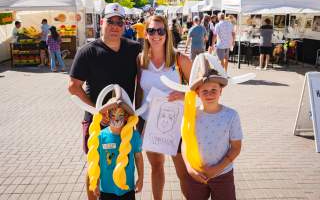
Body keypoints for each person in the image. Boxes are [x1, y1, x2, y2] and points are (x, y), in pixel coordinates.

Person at [68, 2, 141, 200]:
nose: (115, 26)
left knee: (123, 161)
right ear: (102, 22)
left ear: (125, 25)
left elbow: (154, 69)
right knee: (95, 166)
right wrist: (98, 112)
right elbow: (73, 87)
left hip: (124, 120)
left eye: (120, 22)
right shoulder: (87, 51)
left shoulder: (134, 49)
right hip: (95, 121)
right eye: (111, 21)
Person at [139, 15, 192, 200]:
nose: (156, 35)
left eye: (160, 31)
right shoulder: (140, 61)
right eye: (151, 31)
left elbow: (202, 88)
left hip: (176, 124)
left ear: (167, 34)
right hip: (149, 123)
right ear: (146, 34)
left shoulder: (179, 60)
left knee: (183, 172)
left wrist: (184, 95)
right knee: (156, 167)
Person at [181, 53, 243, 200]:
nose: (209, 94)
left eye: (214, 90)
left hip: (222, 174)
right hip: (196, 174)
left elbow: (236, 147)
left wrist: (216, 169)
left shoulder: (231, 115)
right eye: (204, 91)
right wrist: (189, 169)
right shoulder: (190, 116)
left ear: (221, 91)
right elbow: (185, 143)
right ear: (197, 93)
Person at [94, 86, 143, 200]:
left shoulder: (133, 135)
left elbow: (138, 157)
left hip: (127, 189)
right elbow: (96, 162)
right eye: (113, 114)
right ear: (106, 115)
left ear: (126, 116)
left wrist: (141, 178)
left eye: (120, 115)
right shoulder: (101, 136)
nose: (116, 119)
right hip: (106, 189)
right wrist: (95, 181)